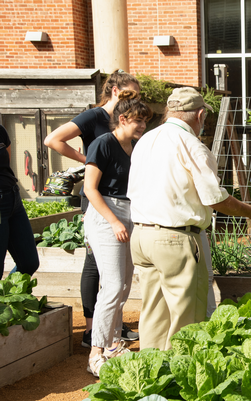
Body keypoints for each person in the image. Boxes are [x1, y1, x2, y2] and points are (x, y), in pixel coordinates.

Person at [128, 87, 251, 351]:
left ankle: (151, 374)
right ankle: (180, 379)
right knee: (188, 320)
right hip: (175, 238)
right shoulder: (191, 144)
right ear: (199, 114)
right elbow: (213, 197)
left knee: (153, 313)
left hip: (141, 235)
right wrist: (250, 211)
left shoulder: (146, 140)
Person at [44, 69, 140, 347]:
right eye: (129, 93)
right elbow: (53, 140)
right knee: (94, 264)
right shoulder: (95, 117)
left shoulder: (127, 125)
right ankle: (90, 330)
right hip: (98, 198)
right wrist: (87, 159)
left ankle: (112, 326)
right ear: (114, 91)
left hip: (121, 200)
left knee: (115, 274)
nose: (134, 98)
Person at [83, 90, 152, 376]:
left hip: (128, 213)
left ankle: (112, 344)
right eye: (138, 121)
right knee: (111, 286)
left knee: (122, 287)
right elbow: (89, 188)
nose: (143, 127)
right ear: (122, 119)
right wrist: (113, 221)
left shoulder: (133, 149)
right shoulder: (103, 144)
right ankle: (95, 352)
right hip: (105, 214)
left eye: (145, 122)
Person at [0, 124, 39, 277]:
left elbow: (6, 165)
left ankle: (7, 294)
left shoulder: (1, 131)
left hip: (12, 197)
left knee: (29, 262)